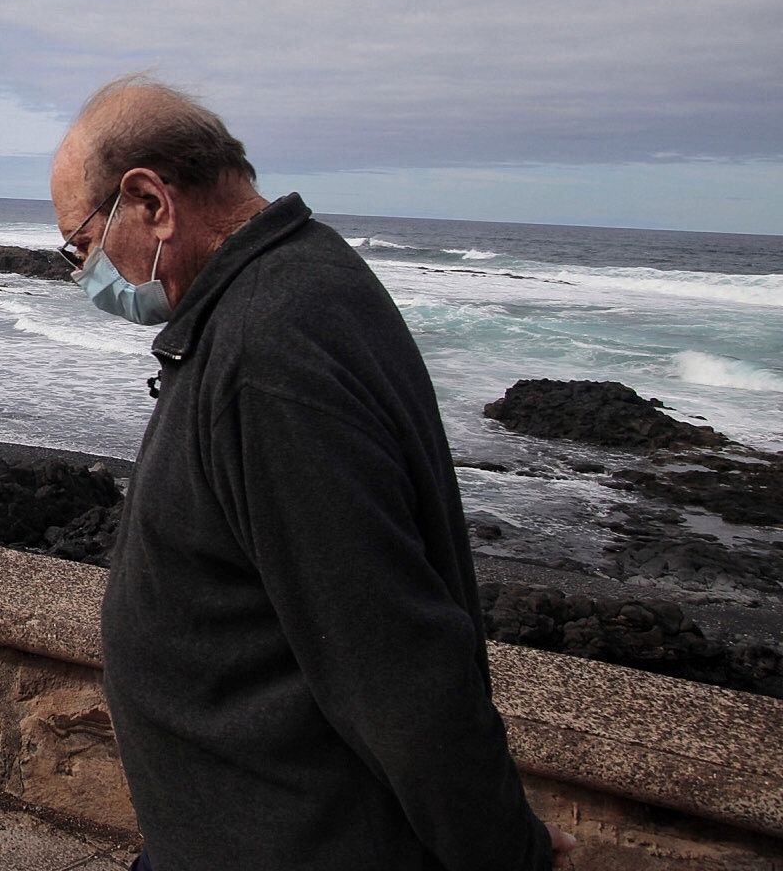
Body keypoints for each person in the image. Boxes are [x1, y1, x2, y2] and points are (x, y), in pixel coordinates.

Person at [50, 74, 575, 870]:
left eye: (82, 243)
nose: (85, 272)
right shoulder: (280, 291)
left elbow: (399, 661)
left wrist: (511, 856)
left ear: (152, 201)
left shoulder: (270, 354)